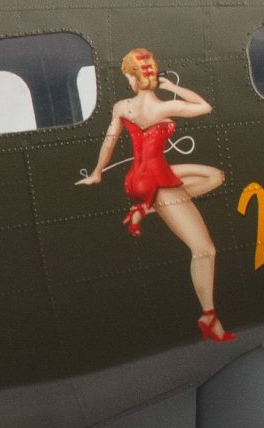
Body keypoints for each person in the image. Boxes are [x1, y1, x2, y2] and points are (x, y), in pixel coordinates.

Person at [78, 48, 234, 341]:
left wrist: (97, 172)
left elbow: (110, 143)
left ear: (130, 77)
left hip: (139, 178)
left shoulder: (122, 107)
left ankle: (144, 209)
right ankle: (208, 314)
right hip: (157, 180)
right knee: (204, 250)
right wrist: (173, 87)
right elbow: (204, 106)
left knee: (214, 176)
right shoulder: (164, 108)